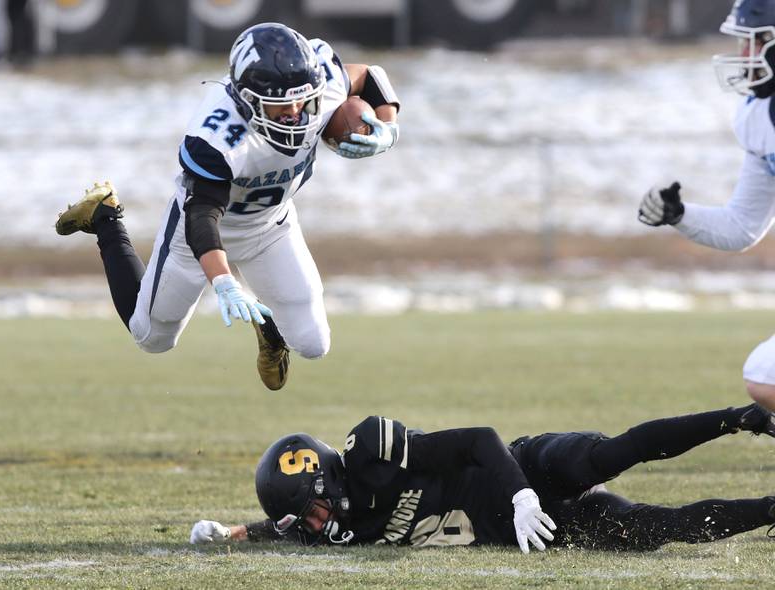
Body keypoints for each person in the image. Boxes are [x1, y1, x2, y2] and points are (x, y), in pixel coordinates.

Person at [55, 23, 400, 390]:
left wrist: (389, 129)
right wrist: (224, 282)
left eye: (303, 99)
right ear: (247, 100)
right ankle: (105, 216)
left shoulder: (319, 79)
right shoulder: (217, 137)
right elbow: (202, 216)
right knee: (152, 338)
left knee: (315, 344)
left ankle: (270, 333)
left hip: (271, 226)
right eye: (282, 104)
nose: (297, 112)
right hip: (200, 235)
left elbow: (368, 76)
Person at [190, 404, 775, 552]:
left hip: (518, 471)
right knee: (650, 529)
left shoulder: (370, 450)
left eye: (313, 513)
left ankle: (737, 418)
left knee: (607, 456)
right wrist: (233, 532)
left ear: (328, 485)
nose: (314, 529)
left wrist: (521, 492)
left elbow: (479, 441)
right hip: (518, 530)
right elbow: (285, 524)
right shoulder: (319, 518)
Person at [638, 0, 775, 412]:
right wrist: (680, 216)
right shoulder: (759, 117)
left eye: (755, 43)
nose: (744, 56)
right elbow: (742, 225)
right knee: (764, 375)